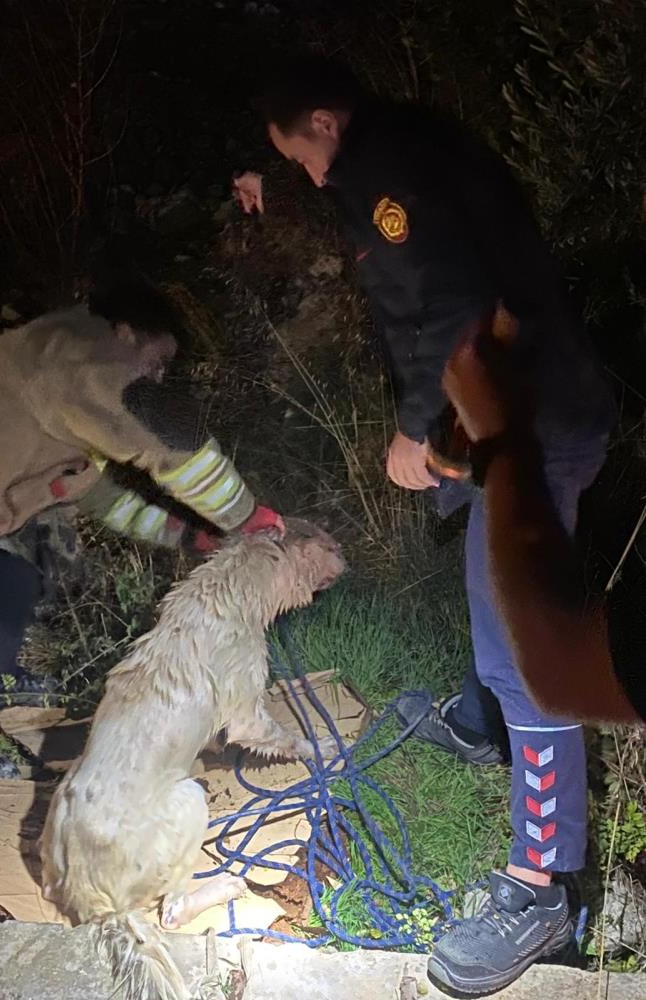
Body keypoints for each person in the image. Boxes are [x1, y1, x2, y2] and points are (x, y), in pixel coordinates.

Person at [233, 57, 616, 996]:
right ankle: (487, 726)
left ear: (326, 121)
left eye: (303, 161)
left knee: (524, 651)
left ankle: (544, 887)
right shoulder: (410, 146)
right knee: (498, 625)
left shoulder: (386, 172)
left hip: (524, 429)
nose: (313, 182)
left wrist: (419, 433)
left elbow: (450, 311)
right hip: (525, 420)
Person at [0, 283, 282, 780]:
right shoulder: (73, 357)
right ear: (124, 332)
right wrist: (246, 516)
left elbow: (105, 499)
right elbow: (164, 436)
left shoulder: (61, 407)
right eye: (157, 359)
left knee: (13, 583)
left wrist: (190, 537)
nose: (157, 376)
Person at [441, 318, 642, 726]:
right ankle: (476, 723)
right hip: (542, 430)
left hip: (543, 437)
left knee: (511, 669)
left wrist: (500, 448)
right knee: (502, 653)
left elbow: (563, 673)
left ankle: (534, 778)